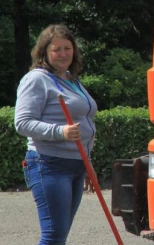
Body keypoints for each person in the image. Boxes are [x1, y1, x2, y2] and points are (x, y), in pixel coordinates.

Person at [14, 24, 98, 245]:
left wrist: (86, 163)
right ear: (45, 53)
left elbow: (85, 122)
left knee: (59, 236)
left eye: (67, 48)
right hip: (49, 164)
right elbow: (22, 123)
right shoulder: (36, 79)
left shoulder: (71, 79)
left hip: (76, 165)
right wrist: (59, 131)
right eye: (56, 49)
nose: (63, 54)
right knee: (53, 236)